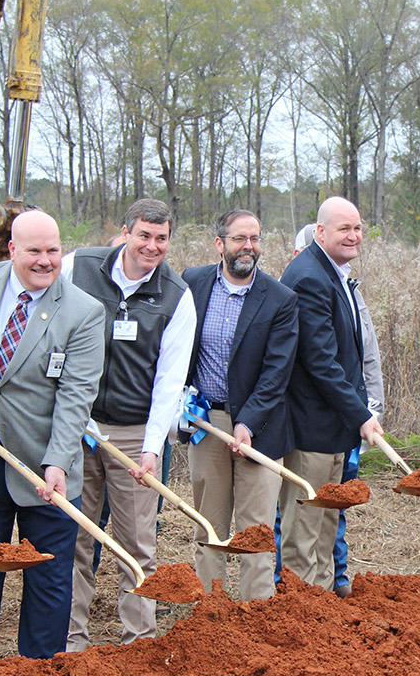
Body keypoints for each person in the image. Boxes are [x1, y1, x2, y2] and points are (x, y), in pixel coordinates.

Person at [0, 210, 104, 660]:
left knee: (49, 578)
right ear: (12, 249)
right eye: (34, 250)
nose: (45, 261)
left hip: (47, 464)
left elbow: (76, 394)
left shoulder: (84, 312)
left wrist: (56, 460)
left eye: (53, 250)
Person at [64, 198, 196, 646]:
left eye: (161, 239)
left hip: (133, 430)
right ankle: (70, 640)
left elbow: (169, 380)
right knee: (75, 541)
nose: (152, 246)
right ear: (125, 232)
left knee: (137, 543)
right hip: (77, 426)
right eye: (144, 235)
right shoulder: (77, 268)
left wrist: (153, 447)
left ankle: (139, 640)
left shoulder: (176, 296)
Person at [181, 210, 298, 601]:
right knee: (208, 525)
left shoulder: (280, 298)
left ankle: (257, 612)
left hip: (260, 428)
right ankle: (210, 610)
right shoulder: (192, 283)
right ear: (220, 244)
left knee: (257, 531)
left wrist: (247, 422)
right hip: (206, 422)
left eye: (255, 238)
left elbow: (276, 372)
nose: (248, 247)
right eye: (239, 239)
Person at [278, 197, 385, 589]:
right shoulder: (309, 277)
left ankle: (322, 608)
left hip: (332, 429)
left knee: (325, 526)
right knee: (304, 531)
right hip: (312, 432)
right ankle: (301, 616)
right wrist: (361, 415)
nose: (354, 235)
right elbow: (320, 362)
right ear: (320, 232)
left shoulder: (333, 272)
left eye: (357, 228)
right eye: (344, 228)